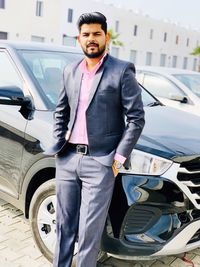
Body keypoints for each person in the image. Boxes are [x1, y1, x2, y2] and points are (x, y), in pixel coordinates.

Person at [45, 11, 145, 267]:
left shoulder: (122, 71)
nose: (91, 39)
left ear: (106, 37)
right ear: (78, 39)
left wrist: (118, 159)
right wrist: (58, 144)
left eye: (96, 34)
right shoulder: (70, 70)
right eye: (86, 34)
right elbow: (61, 111)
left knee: (89, 234)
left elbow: (136, 118)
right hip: (67, 159)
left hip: (100, 163)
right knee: (64, 227)